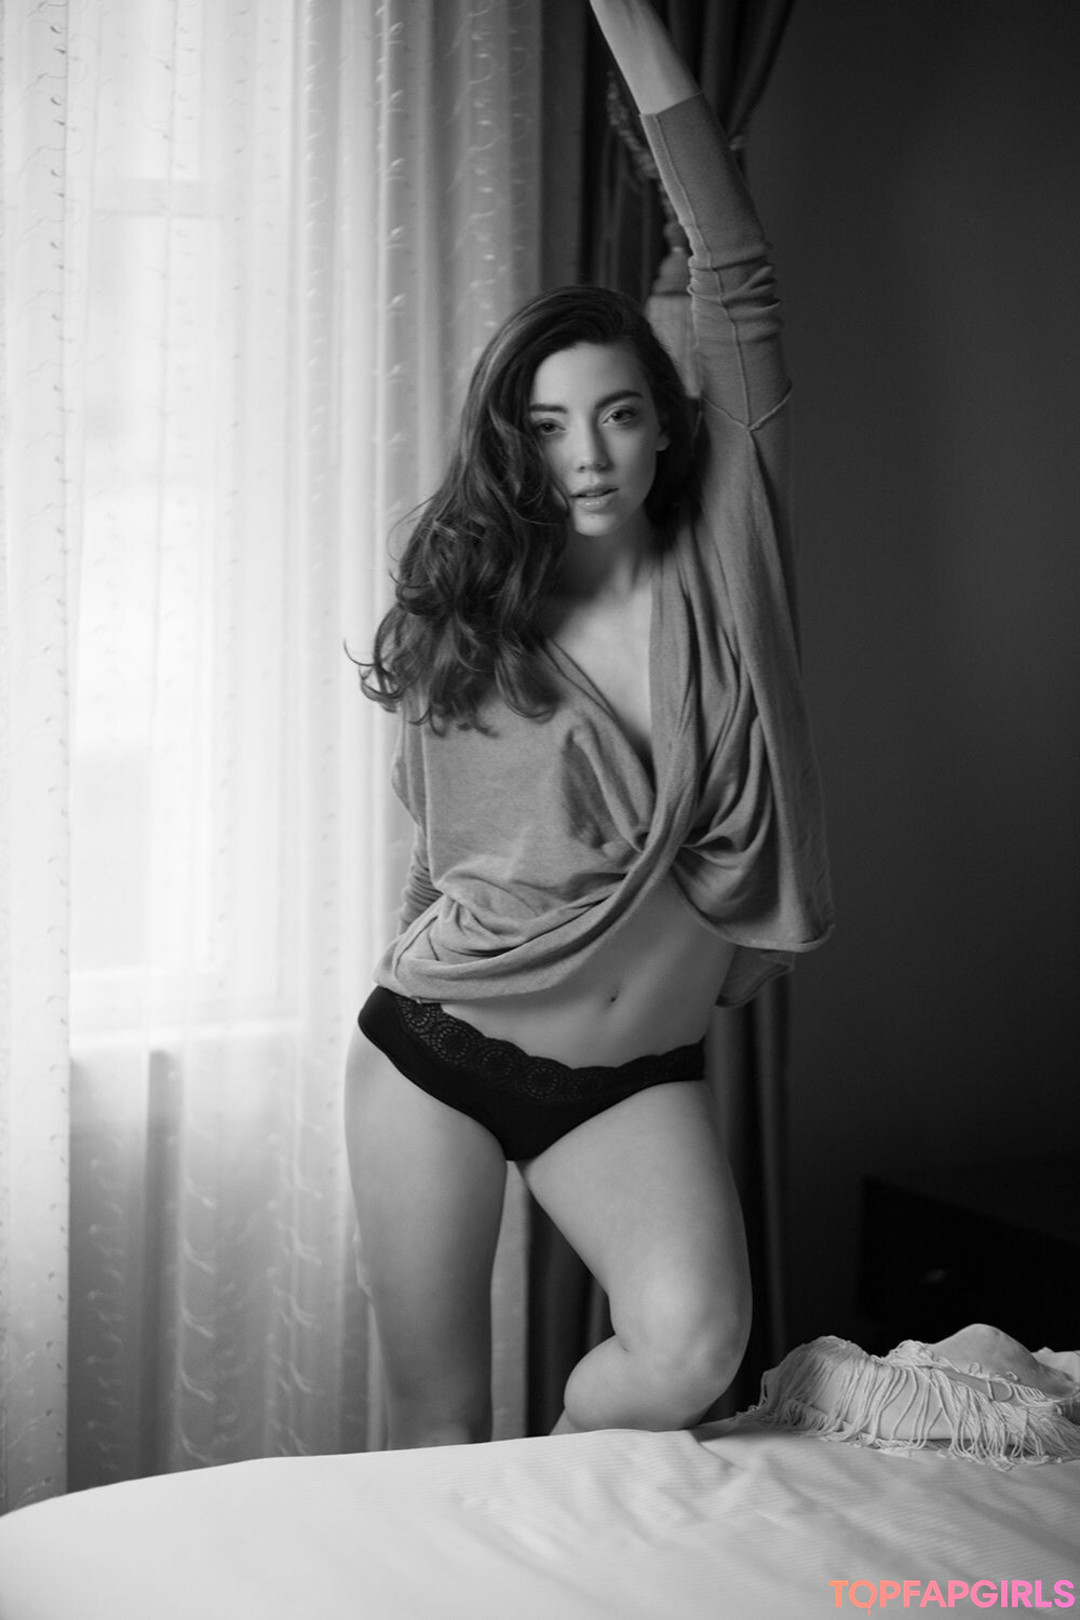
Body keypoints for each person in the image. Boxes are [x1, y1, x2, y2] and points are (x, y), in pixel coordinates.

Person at [346, 0, 832, 1449]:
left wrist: (625, 11)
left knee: (690, 1350)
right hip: (436, 1051)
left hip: (626, 1078)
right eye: (549, 427)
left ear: (669, 420)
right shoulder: (476, 613)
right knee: (436, 1425)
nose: (588, 454)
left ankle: (564, 1503)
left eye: (618, 414)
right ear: (517, 445)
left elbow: (733, 265)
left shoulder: (724, 553)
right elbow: (440, 846)